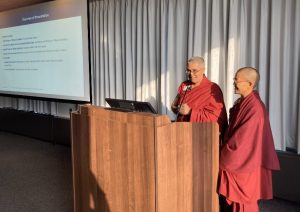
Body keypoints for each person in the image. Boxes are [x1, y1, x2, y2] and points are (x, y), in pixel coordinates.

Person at [218, 67, 280, 212]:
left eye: (237, 80)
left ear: (250, 84)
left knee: (244, 203)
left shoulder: (255, 108)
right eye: (234, 79)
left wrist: (222, 155)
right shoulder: (244, 102)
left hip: (245, 164)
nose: (233, 82)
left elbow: (242, 142)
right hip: (244, 161)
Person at [171, 56, 227, 135]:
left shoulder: (212, 89)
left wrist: (190, 111)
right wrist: (176, 108)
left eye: (195, 71)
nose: (191, 74)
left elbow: (217, 119)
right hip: (180, 132)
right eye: (188, 70)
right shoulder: (185, 84)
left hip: (199, 136)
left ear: (203, 70)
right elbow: (174, 105)